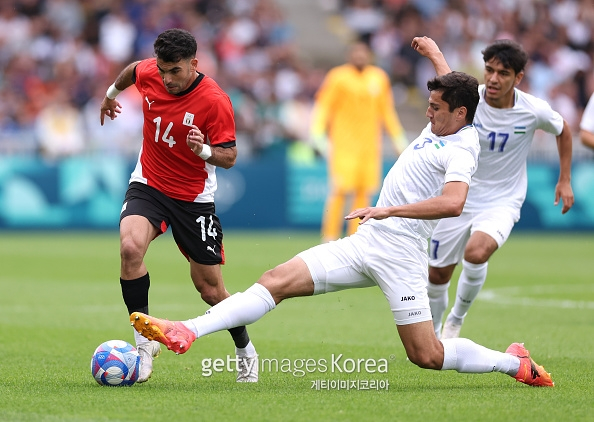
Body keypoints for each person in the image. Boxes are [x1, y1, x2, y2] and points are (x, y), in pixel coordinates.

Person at [130, 70, 554, 387]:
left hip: (402, 255)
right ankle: (187, 329)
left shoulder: (462, 148)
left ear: (459, 113)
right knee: (274, 281)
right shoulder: (446, 120)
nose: (427, 112)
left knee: (426, 355)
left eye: (435, 107)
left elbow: (454, 202)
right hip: (365, 242)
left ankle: (511, 362)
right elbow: (453, 90)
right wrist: (433, 57)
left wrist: (390, 211)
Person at [99, 28, 258, 383]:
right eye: (162, 69)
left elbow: (229, 156)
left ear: (194, 64)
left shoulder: (215, 100)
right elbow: (131, 71)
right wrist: (110, 95)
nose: (167, 79)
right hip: (149, 184)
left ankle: (245, 348)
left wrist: (202, 150)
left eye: (176, 71)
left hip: (192, 199)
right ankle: (144, 346)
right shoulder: (150, 72)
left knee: (210, 290)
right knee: (129, 248)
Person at [412, 36, 575, 340]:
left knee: (477, 252)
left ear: (519, 77)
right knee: (437, 275)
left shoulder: (533, 110)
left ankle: (455, 322)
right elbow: (448, 81)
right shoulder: (472, 100)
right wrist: (434, 52)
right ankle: (432, 338)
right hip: (460, 195)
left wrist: (564, 178)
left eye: (503, 73)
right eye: (489, 70)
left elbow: (564, 130)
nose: (494, 79)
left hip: (503, 200)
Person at [310, 41, 408, 242]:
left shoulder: (379, 78)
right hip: (343, 147)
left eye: (364, 53)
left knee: (364, 194)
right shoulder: (338, 77)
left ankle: (355, 237)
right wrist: (317, 133)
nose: (360, 57)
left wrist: (399, 139)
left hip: (370, 148)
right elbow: (324, 106)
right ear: (350, 55)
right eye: (357, 53)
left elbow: (387, 112)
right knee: (340, 191)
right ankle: (330, 237)